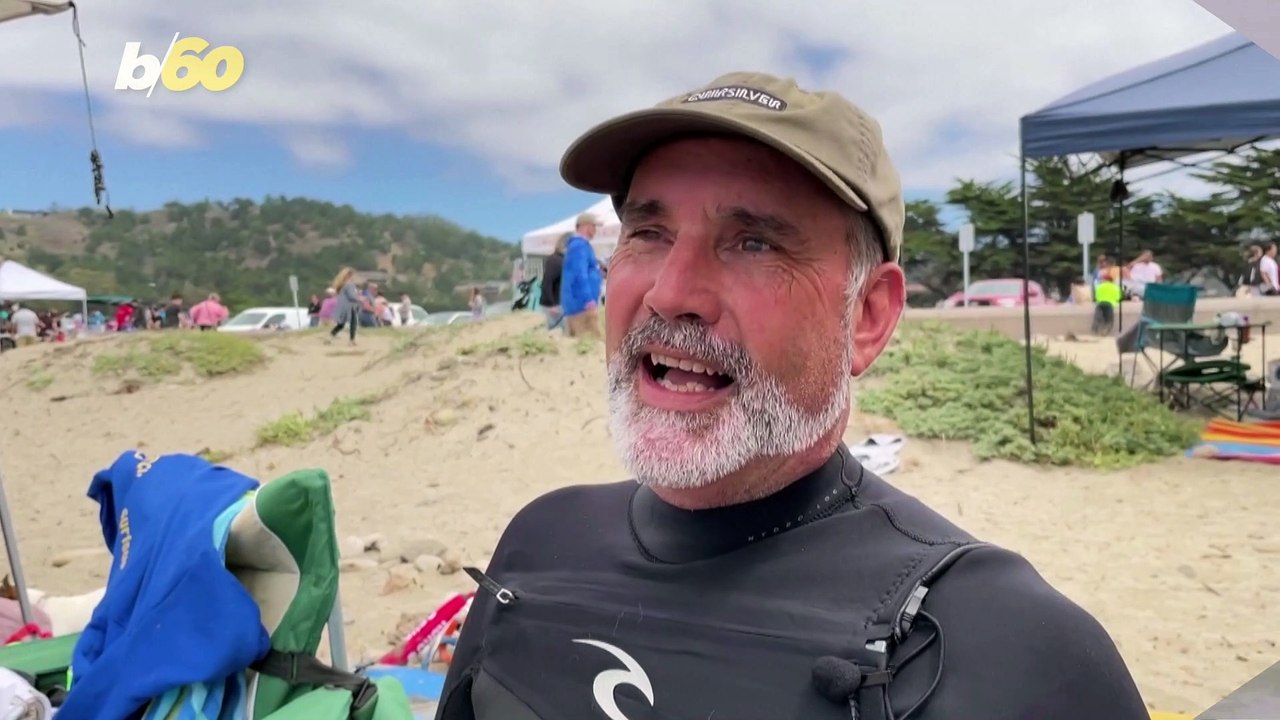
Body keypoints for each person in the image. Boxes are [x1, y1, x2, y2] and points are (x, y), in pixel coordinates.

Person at [436, 72, 1148, 720]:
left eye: (753, 243)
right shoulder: (539, 543)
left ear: (866, 317)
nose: (670, 292)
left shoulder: (1013, 655)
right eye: (649, 233)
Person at [560, 213, 603, 338]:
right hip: (581, 306)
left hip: (580, 304)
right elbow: (579, 274)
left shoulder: (579, 245)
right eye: (594, 226)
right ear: (586, 226)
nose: (595, 230)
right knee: (590, 341)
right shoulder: (579, 245)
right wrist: (588, 300)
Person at [539, 232, 570, 331]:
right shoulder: (555, 260)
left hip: (560, 304)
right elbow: (547, 283)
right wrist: (550, 304)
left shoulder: (563, 260)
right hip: (554, 306)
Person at [327, 267, 360, 345]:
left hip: (342, 306)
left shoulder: (342, 284)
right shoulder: (349, 284)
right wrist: (360, 298)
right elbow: (351, 296)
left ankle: (331, 335)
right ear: (349, 275)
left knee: (341, 323)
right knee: (353, 322)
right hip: (349, 306)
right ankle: (352, 340)